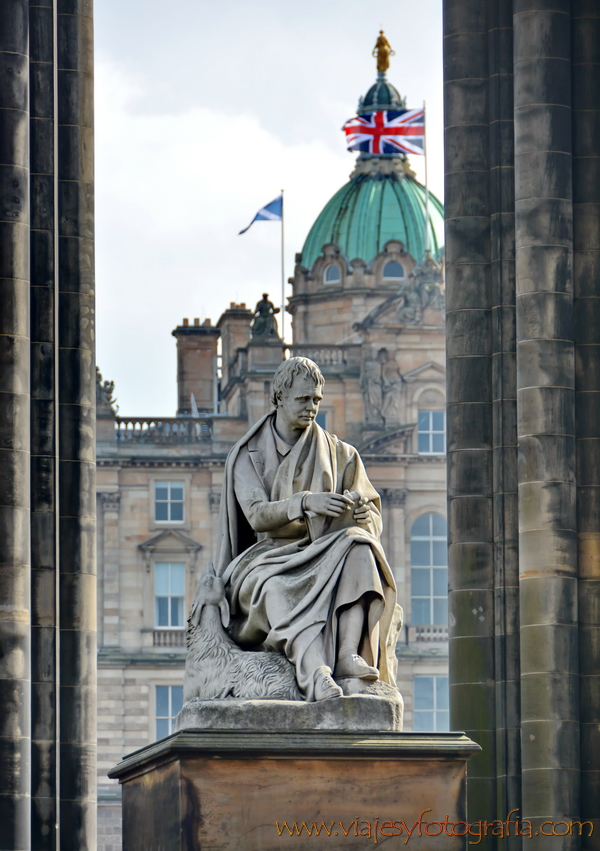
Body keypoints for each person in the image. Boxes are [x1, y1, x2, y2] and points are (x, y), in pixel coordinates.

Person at [216, 357, 397, 701]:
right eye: (303, 399)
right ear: (279, 397)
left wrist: (361, 514)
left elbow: (373, 516)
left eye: (316, 399)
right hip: (266, 560)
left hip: (326, 550)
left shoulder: (342, 454)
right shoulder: (248, 455)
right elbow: (256, 516)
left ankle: (346, 655)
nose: (312, 407)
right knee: (276, 589)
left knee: (360, 547)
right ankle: (316, 674)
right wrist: (304, 503)